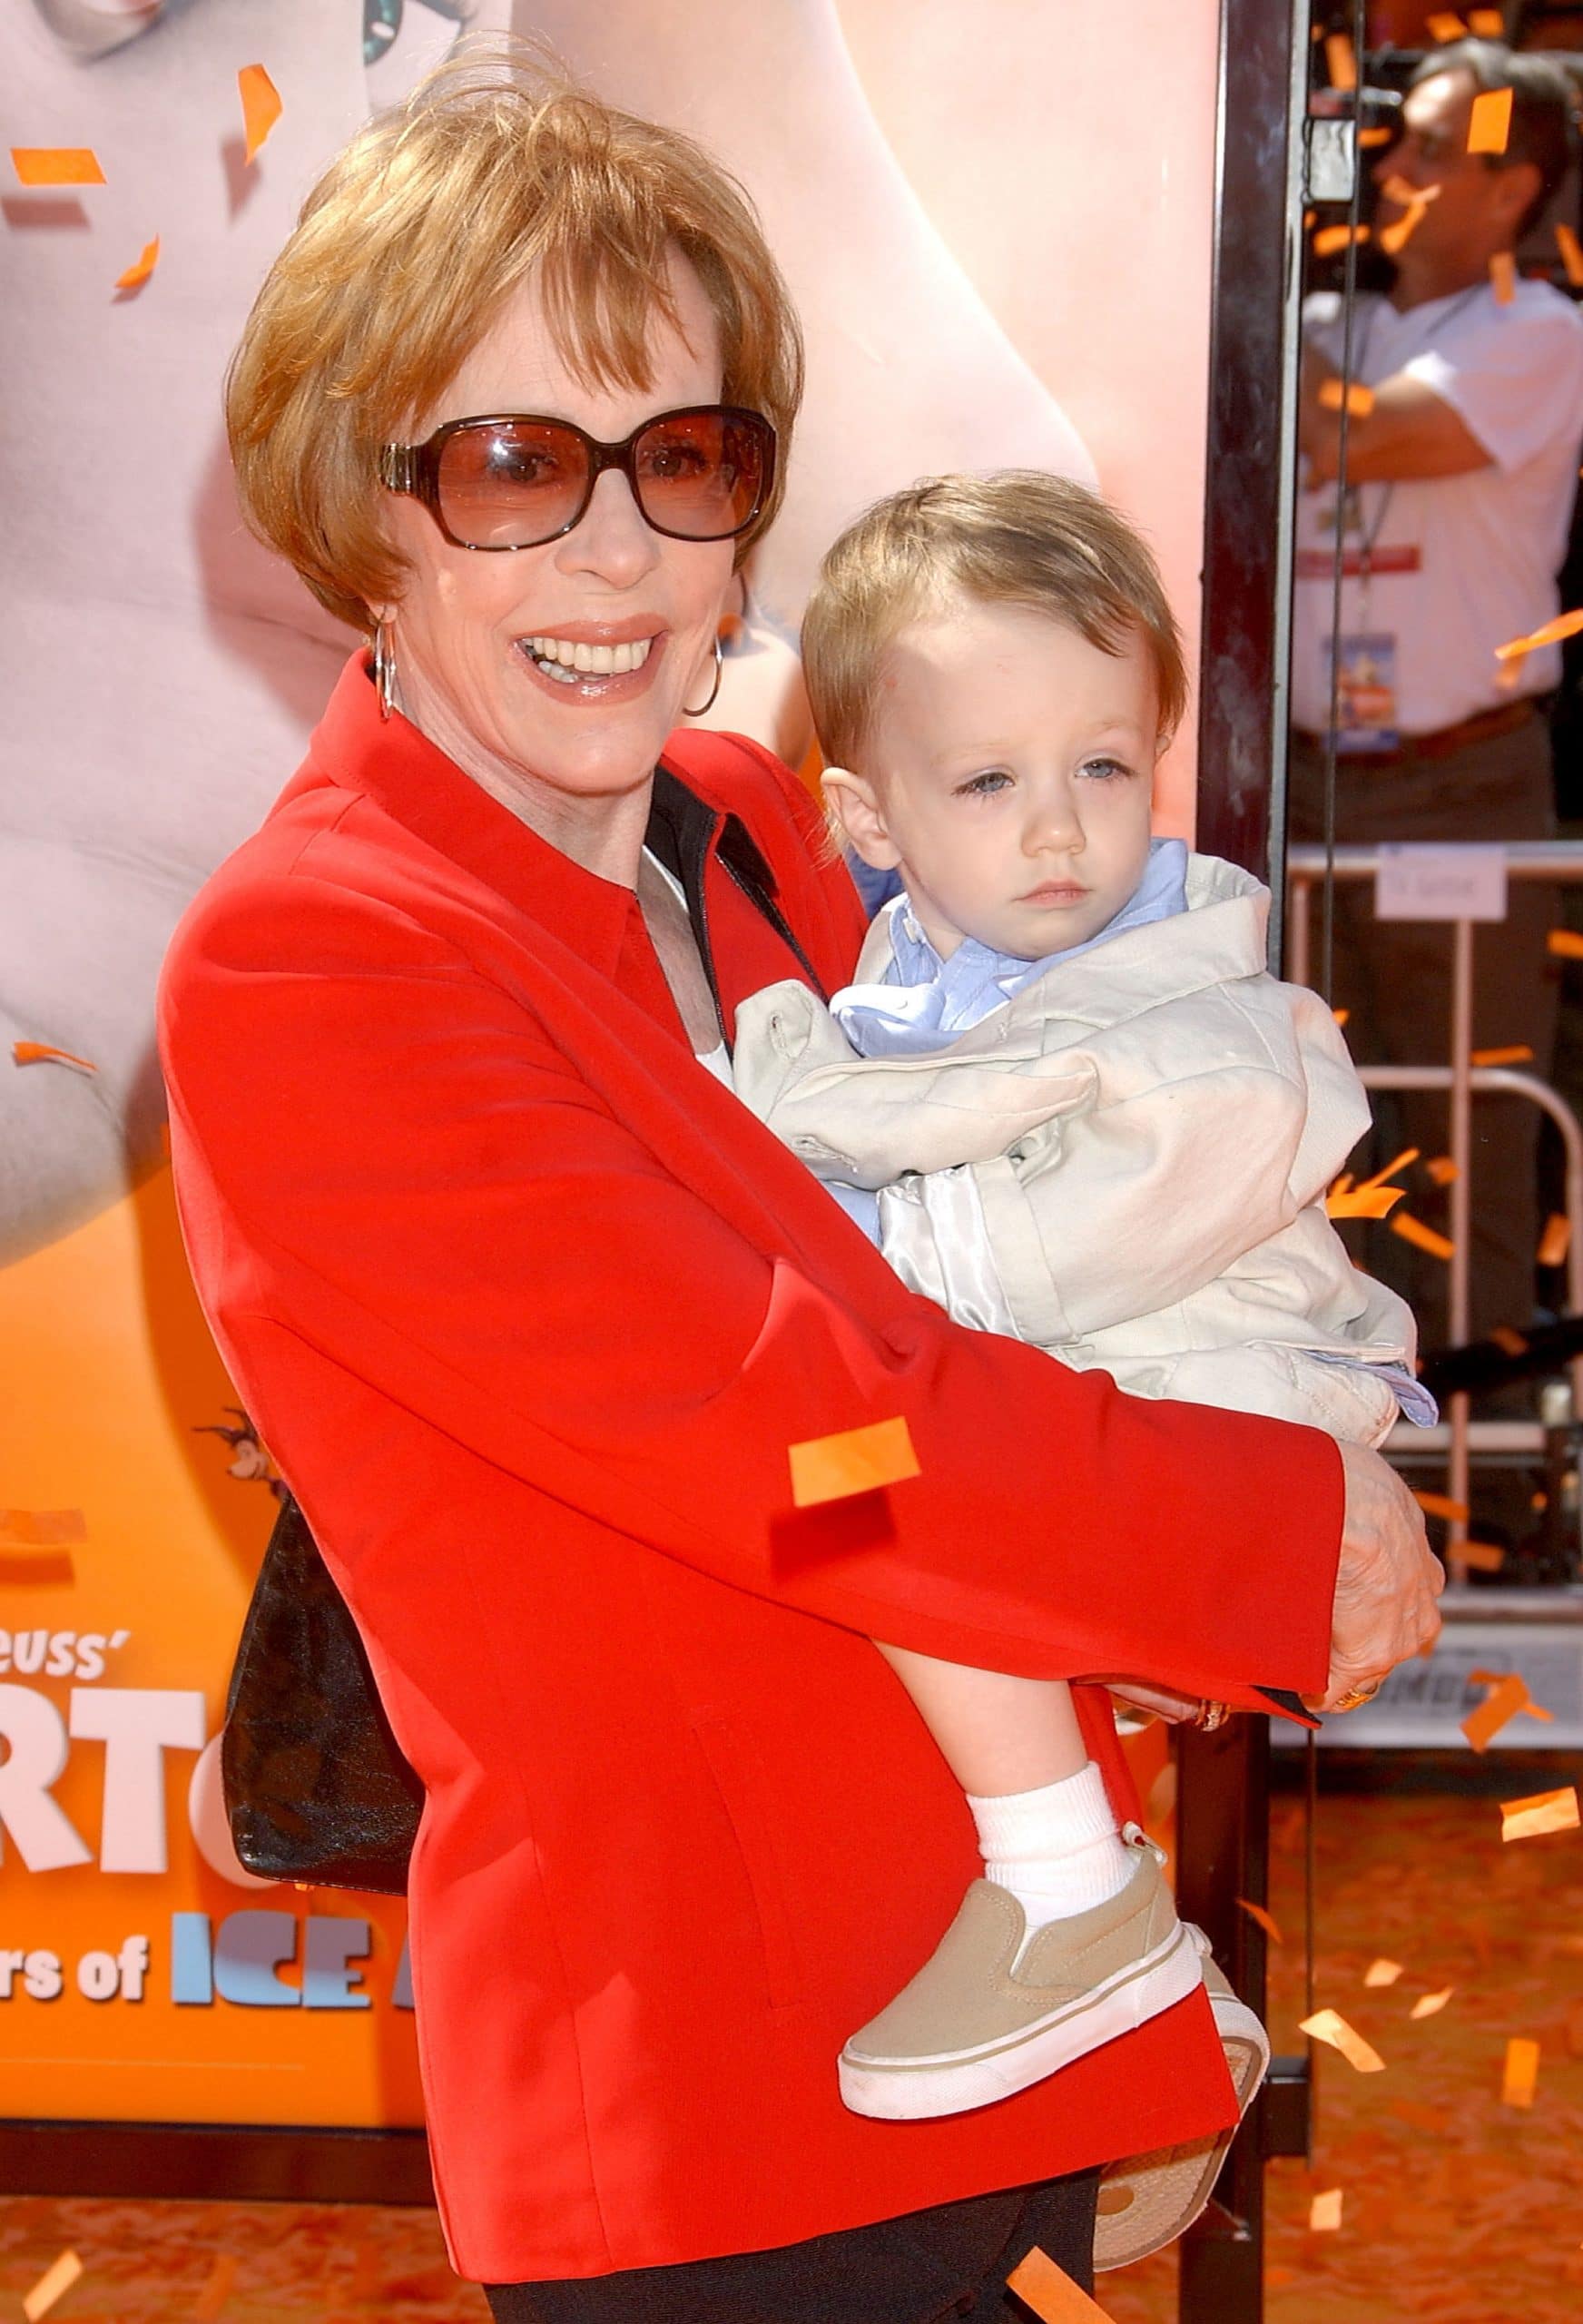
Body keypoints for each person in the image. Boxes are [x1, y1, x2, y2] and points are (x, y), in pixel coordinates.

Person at [158, 44, 1442, 2320]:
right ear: (357, 512)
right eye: (508, 469)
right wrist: (1259, 1530)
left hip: (1016, 2009)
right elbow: (806, 1449)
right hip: (725, 2093)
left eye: (682, 459)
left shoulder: (756, 824)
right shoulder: (315, 956)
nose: (614, 553)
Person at [732, 468, 1434, 2135]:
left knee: (851, 1487)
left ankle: (1068, 1890)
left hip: (1234, 1388)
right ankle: (1142, 2009)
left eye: (1105, 767)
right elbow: (856, 1117)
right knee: (856, 1525)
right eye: (990, 781)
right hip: (1125, 1388)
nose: (1061, 828)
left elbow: (1080, 1232)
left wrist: (835, 1238)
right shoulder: (923, 968)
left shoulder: (1192, 993)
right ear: (872, 818)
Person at [1290, 36, 1583, 1356]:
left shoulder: (1544, 331)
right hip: (1296, 780)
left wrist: (1227, 293)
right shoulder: (1316, 324)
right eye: (1389, 136)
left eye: (1425, 141)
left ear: (1517, 184)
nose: (1389, 162)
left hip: (1459, 784)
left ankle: (1480, 1458)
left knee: (1467, 1121)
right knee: (1295, 1114)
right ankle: (1332, 1440)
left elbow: (1356, 430)